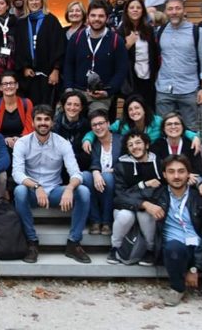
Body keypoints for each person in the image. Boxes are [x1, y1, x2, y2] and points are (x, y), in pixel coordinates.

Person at [134, 154, 202, 307]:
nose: (176, 176)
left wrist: (194, 268)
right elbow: (122, 197)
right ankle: (177, 288)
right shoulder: (157, 194)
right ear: (164, 175)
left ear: (188, 174)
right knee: (173, 248)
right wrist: (145, 204)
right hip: (176, 251)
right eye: (171, 172)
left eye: (181, 171)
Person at [12, 105, 91, 264]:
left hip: (55, 192)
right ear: (33, 122)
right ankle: (32, 242)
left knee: (83, 191)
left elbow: (76, 173)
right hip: (32, 193)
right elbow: (17, 174)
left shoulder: (62, 143)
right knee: (19, 190)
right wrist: (36, 186)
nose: (43, 123)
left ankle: (74, 243)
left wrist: (70, 188)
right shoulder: (22, 143)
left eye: (47, 119)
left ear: (52, 123)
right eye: (39, 119)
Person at [156, 0, 202, 133]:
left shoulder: (197, 32)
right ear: (165, 12)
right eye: (170, 9)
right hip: (164, 89)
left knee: (192, 130)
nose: (174, 12)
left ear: (184, 10)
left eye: (178, 8)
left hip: (189, 89)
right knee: (163, 129)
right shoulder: (160, 31)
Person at [106, 132, 161, 266]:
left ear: (147, 145)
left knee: (145, 214)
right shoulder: (121, 165)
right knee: (125, 216)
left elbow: (161, 189)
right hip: (126, 206)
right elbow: (120, 196)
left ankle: (150, 250)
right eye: (130, 145)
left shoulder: (158, 163)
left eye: (138, 143)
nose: (134, 147)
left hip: (150, 207)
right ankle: (115, 248)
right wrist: (143, 187)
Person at [63, 0, 128, 113]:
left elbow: (121, 70)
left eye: (101, 16)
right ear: (88, 17)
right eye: (93, 15)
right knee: (64, 118)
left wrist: (108, 91)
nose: (96, 19)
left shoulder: (116, 40)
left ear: (107, 18)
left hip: (102, 95)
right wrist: (68, 90)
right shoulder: (76, 38)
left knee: (98, 120)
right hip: (77, 93)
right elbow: (68, 64)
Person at [82, 95, 201, 155]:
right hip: (132, 157)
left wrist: (194, 136)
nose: (134, 112)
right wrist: (88, 139)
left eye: (137, 108)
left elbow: (175, 128)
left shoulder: (157, 121)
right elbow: (101, 128)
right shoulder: (122, 124)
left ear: (144, 109)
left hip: (154, 158)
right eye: (130, 109)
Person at [14, 0, 64, 106]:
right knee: (30, 107)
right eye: (31, 0)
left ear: (42, 2)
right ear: (27, 3)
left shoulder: (51, 20)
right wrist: (24, 68)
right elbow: (18, 48)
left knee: (47, 108)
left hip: (48, 76)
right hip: (28, 77)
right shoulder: (21, 23)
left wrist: (56, 70)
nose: (34, 2)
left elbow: (59, 46)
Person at [84, 110, 121, 236]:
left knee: (108, 177)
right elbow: (93, 161)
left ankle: (107, 222)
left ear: (108, 123)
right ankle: (95, 221)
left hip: (115, 181)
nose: (98, 127)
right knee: (85, 177)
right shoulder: (92, 142)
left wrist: (114, 170)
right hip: (97, 181)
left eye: (101, 123)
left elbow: (125, 161)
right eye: (94, 125)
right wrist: (95, 172)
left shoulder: (120, 139)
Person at [118, 0, 159, 104]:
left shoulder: (149, 30)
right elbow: (115, 57)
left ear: (143, 11)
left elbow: (155, 54)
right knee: (134, 107)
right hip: (131, 78)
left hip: (149, 76)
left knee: (149, 107)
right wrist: (127, 45)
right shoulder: (121, 31)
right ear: (127, 11)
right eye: (132, 7)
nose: (135, 10)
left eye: (138, 7)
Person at [0, 72, 33, 152]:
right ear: (0, 87)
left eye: (11, 83)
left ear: (17, 85)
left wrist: (20, 139)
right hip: (0, 143)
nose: (8, 86)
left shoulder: (27, 103)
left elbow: (29, 127)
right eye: (5, 84)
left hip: (24, 143)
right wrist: (4, 139)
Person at [151, 112, 202, 184]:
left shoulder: (192, 145)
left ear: (183, 127)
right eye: (169, 124)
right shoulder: (156, 146)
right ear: (163, 129)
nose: (173, 127)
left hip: (188, 183)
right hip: (164, 184)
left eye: (176, 123)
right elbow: (156, 170)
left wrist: (188, 177)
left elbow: (198, 170)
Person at [53, 91, 91, 175]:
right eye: (69, 104)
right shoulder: (54, 125)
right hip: (57, 170)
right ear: (64, 106)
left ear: (81, 108)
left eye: (76, 105)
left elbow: (87, 156)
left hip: (80, 169)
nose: (72, 108)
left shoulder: (87, 126)